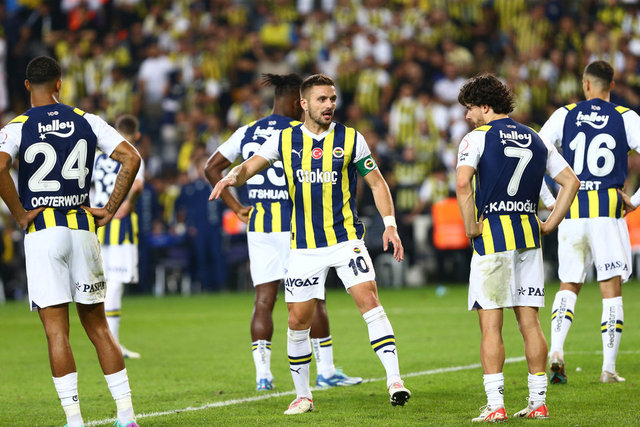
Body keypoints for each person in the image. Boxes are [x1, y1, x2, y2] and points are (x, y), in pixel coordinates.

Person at [211, 73, 410, 415]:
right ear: (303, 103)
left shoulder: (351, 138)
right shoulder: (284, 139)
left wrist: (390, 225)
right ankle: (303, 396)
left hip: (345, 239)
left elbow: (377, 183)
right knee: (297, 320)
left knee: (370, 301)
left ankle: (395, 381)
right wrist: (231, 177)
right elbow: (249, 168)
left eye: (332, 99)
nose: (329, 105)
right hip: (303, 246)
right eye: (322, 99)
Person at [0, 56, 141, 427]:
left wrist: (19, 214)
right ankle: (126, 415)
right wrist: (110, 208)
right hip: (82, 228)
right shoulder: (87, 120)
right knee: (99, 328)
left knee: (56, 332)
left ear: (27, 86)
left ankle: (75, 420)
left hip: (43, 232)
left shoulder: (17, 126)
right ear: (60, 83)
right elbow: (131, 157)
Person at [205, 73, 362, 391]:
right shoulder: (300, 132)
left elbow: (211, 168)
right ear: (296, 102)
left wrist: (236, 208)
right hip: (296, 227)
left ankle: (263, 375)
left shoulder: (248, 131)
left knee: (264, 299)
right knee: (314, 299)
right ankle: (326, 371)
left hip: (259, 225)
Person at [455, 74, 579, 422]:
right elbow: (571, 182)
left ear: (485, 107)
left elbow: (463, 183)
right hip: (528, 237)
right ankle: (538, 402)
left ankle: (496, 406)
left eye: (470, 109)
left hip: (493, 239)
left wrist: (471, 227)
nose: (467, 116)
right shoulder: (537, 138)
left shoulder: (477, 137)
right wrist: (549, 224)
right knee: (530, 322)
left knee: (490, 325)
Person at [538, 60, 640, 385]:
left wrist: (550, 201)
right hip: (607, 213)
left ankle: (556, 350)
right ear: (612, 86)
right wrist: (635, 200)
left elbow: (534, 153)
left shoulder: (564, 115)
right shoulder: (626, 117)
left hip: (572, 211)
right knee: (611, 290)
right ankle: (608, 369)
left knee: (569, 284)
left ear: (585, 84)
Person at [92, 114, 145, 359]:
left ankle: (109, 342)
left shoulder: (97, 156)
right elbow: (137, 185)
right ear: (136, 135)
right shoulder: (133, 154)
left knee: (103, 284)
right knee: (115, 285)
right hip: (121, 226)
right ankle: (112, 345)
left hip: (98, 224)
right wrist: (128, 204)